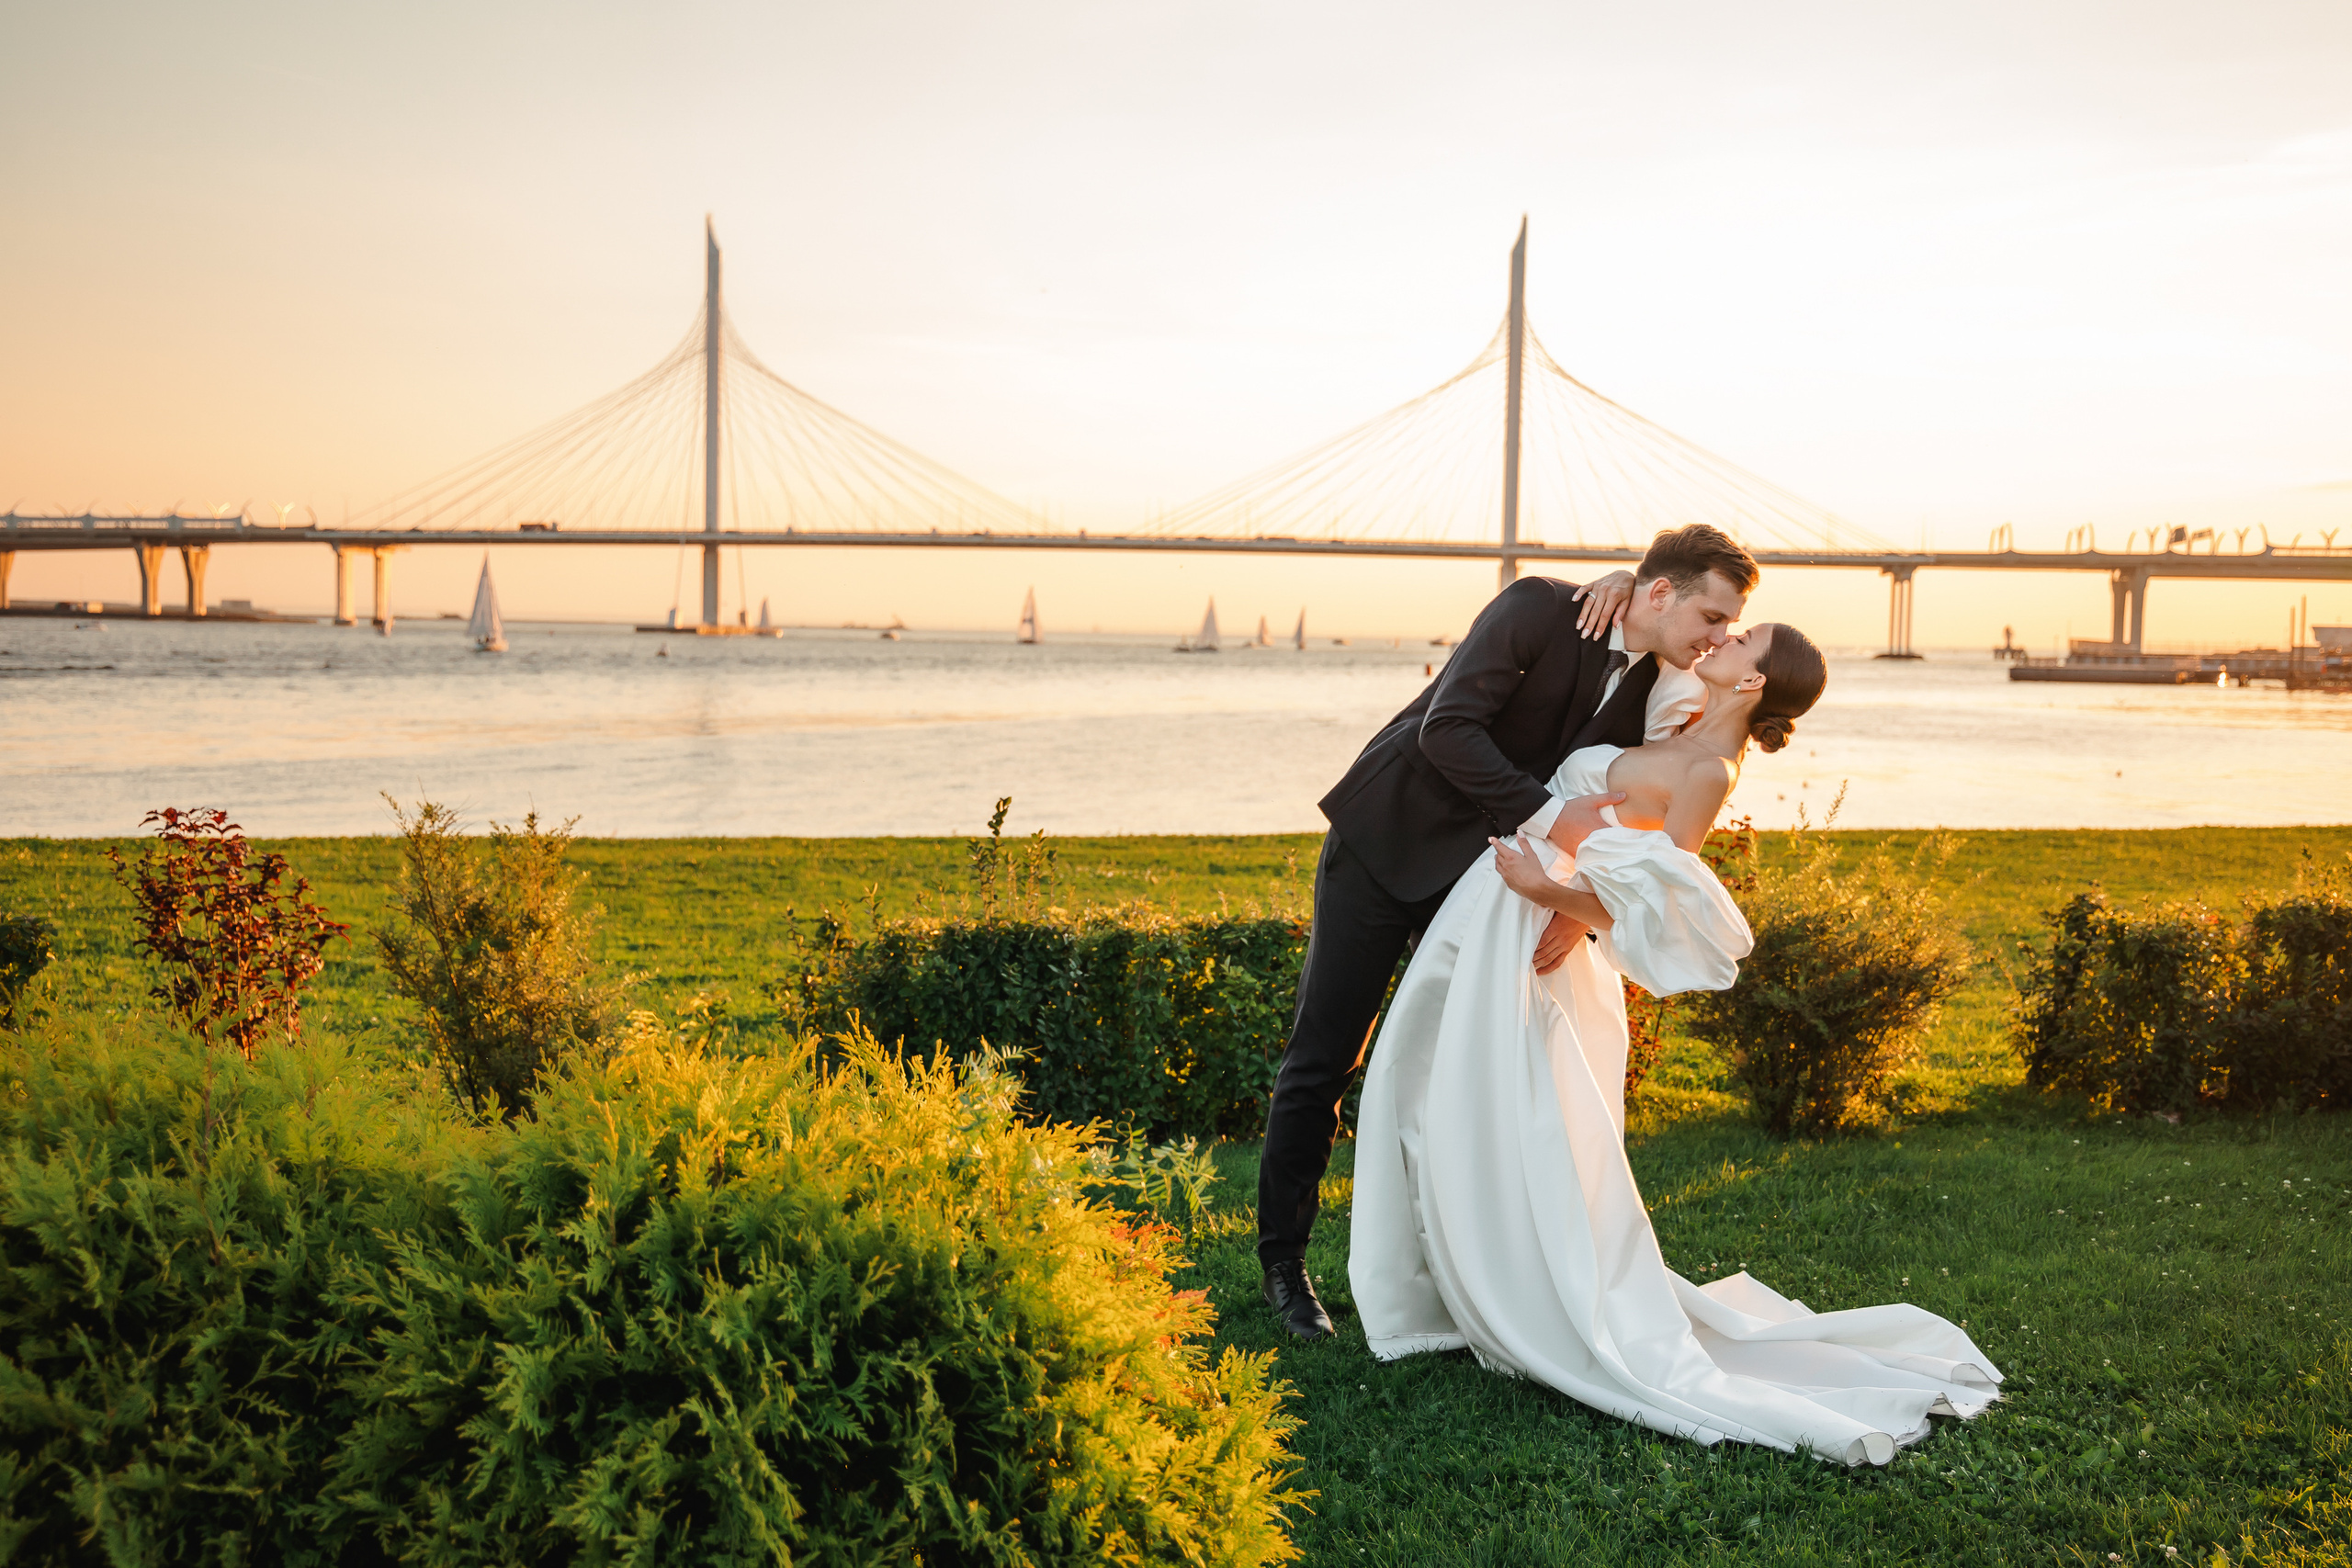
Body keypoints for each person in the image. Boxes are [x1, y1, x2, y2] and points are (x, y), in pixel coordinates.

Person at [1348, 622, 2004, 1466]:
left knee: (1500, 1105)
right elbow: (1655, 616)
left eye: (1745, 639)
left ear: (1755, 683)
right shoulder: (1679, 712)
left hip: (1533, 907)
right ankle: (1441, 1279)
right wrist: (1623, 587)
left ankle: (1508, 1283)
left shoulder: (1707, 770)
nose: (1724, 636)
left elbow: (1659, 901)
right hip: (1502, 897)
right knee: (1424, 1077)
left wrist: (1554, 895)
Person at [1259, 525, 1758, 1340]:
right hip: (1386, 840)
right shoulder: (1537, 606)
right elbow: (1446, 729)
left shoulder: (1663, 688)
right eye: (1710, 615)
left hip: (1486, 886)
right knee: (1325, 1056)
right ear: (1659, 592)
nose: (1716, 637)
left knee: (1466, 1067)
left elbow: (1645, 811)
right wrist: (1558, 824)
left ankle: (1457, 1272)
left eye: (1727, 626)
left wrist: (1575, 910)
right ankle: (1285, 1268)